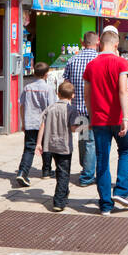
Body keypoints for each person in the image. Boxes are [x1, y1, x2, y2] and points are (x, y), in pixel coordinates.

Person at [84, 25, 128, 214]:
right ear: (116, 44)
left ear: (99, 44)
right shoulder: (121, 63)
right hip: (118, 118)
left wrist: (90, 115)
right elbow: (123, 91)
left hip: (99, 120)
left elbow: (87, 96)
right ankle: (121, 190)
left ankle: (105, 204)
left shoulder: (91, 65)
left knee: (102, 159)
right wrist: (126, 118)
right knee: (126, 150)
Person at [35, 80, 77, 211]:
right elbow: (74, 128)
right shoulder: (71, 110)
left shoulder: (50, 108)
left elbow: (42, 125)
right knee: (64, 172)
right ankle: (58, 201)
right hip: (64, 146)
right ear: (73, 95)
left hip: (51, 145)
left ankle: (64, 193)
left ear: (57, 94)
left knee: (60, 170)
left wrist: (38, 143)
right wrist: (86, 126)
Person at [65, 31, 99, 186]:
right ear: (97, 42)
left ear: (82, 42)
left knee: (83, 139)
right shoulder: (98, 59)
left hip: (77, 108)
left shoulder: (72, 60)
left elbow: (66, 84)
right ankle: (87, 176)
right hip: (94, 107)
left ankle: (86, 167)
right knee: (90, 141)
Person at [16, 61, 55, 186]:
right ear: (46, 75)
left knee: (29, 148)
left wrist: (23, 121)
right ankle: (46, 171)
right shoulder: (49, 89)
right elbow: (52, 107)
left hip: (30, 122)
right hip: (44, 123)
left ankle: (22, 172)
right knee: (47, 146)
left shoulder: (27, 88)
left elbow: (21, 105)